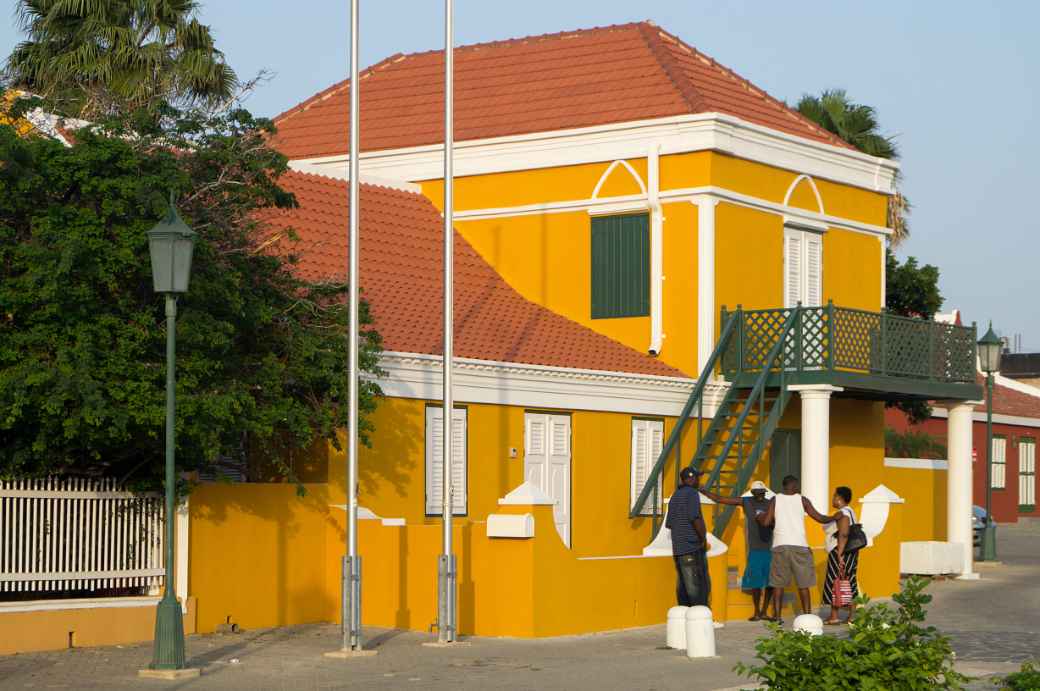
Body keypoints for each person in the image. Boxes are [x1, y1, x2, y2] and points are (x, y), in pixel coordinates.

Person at [756, 475, 835, 623]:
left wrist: (760, 516)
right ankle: (807, 616)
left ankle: (777, 617)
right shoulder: (802, 500)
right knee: (803, 584)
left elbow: (766, 522)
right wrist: (835, 517)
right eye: (797, 485)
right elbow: (819, 518)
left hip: (780, 545)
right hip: (800, 546)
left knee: (778, 584)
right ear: (794, 485)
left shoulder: (775, 499)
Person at [699, 480, 776, 621]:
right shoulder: (746, 502)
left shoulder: (771, 503)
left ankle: (765, 611)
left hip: (770, 547)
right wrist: (705, 492)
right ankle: (757, 612)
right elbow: (721, 499)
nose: (760, 496)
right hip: (755, 547)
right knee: (756, 582)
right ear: (752, 493)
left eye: (762, 493)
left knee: (770, 582)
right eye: (758, 493)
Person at [666, 467, 710, 607]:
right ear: (691, 479)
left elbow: (670, 523)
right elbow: (694, 517)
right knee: (696, 587)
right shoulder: (691, 493)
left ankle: (684, 617)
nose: (699, 480)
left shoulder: (675, 495)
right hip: (691, 547)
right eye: (697, 477)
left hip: (678, 548)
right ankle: (700, 619)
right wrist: (703, 538)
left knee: (683, 586)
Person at [822, 486, 860, 625]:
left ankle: (835, 616)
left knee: (835, 581)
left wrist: (840, 554)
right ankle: (852, 615)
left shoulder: (842, 513)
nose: (832, 499)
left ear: (839, 498)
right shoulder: (850, 512)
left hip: (841, 551)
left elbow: (843, 534)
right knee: (848, 581)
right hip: (850, 552)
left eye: (834, 496)